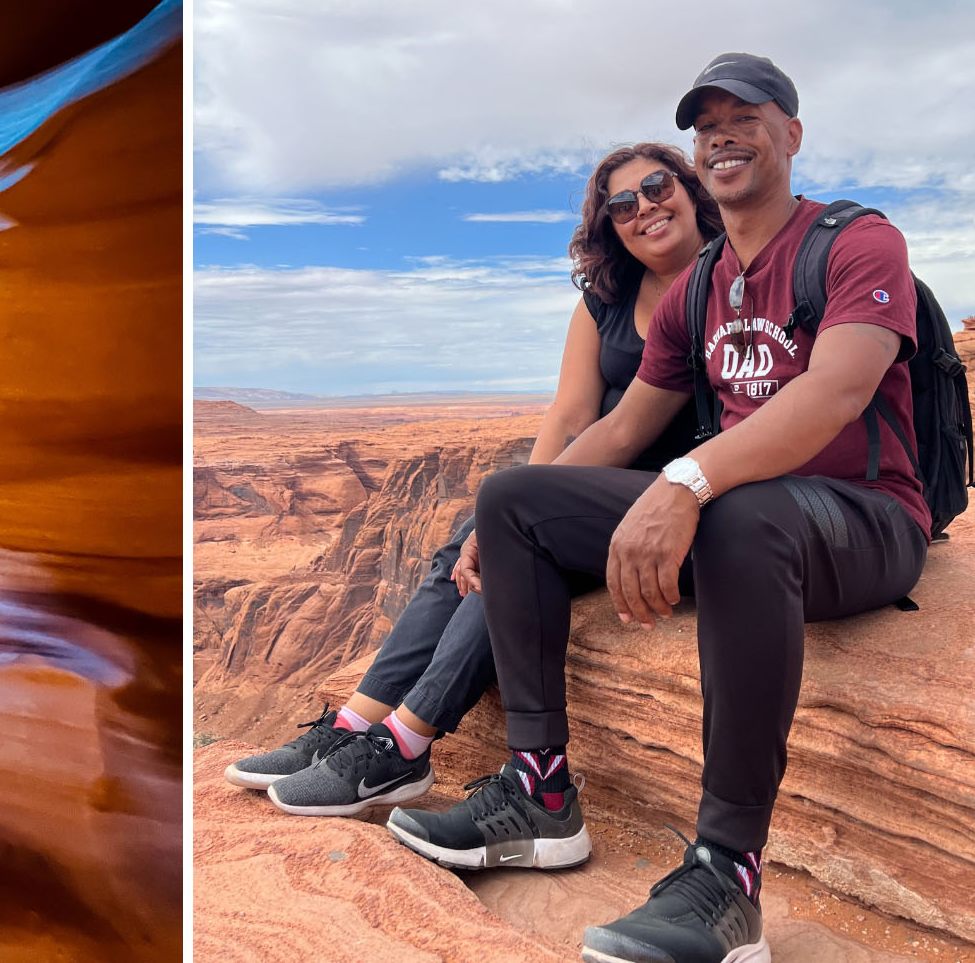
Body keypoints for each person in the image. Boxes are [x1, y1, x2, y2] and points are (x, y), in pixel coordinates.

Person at [384, 54, 931, 963]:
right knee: (516, 498)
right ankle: (541, 794)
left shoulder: (857, 241)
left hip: (864, 517)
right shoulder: (703, 283)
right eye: (706, 123)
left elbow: (837, 392)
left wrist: (687, 481)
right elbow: (624, 421)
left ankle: (725, 875)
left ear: (791, 135)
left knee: (742, 515)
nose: (722, 135)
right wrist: (494, 523)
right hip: (745, 508)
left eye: (746, 117)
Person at [224, 142, 719, 818]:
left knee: (513, 552)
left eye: (658, 187)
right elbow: (572, 413)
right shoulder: (607, 301)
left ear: (690, 190)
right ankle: (356, 724)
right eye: (623, 204)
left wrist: (519, 514)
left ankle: (405, 744)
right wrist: (519, 496)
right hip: (594, 480)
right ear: (610, 226)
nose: (645, 209)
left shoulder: (728, 280)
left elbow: (631, 427)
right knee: (471, 535)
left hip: (664, 494)